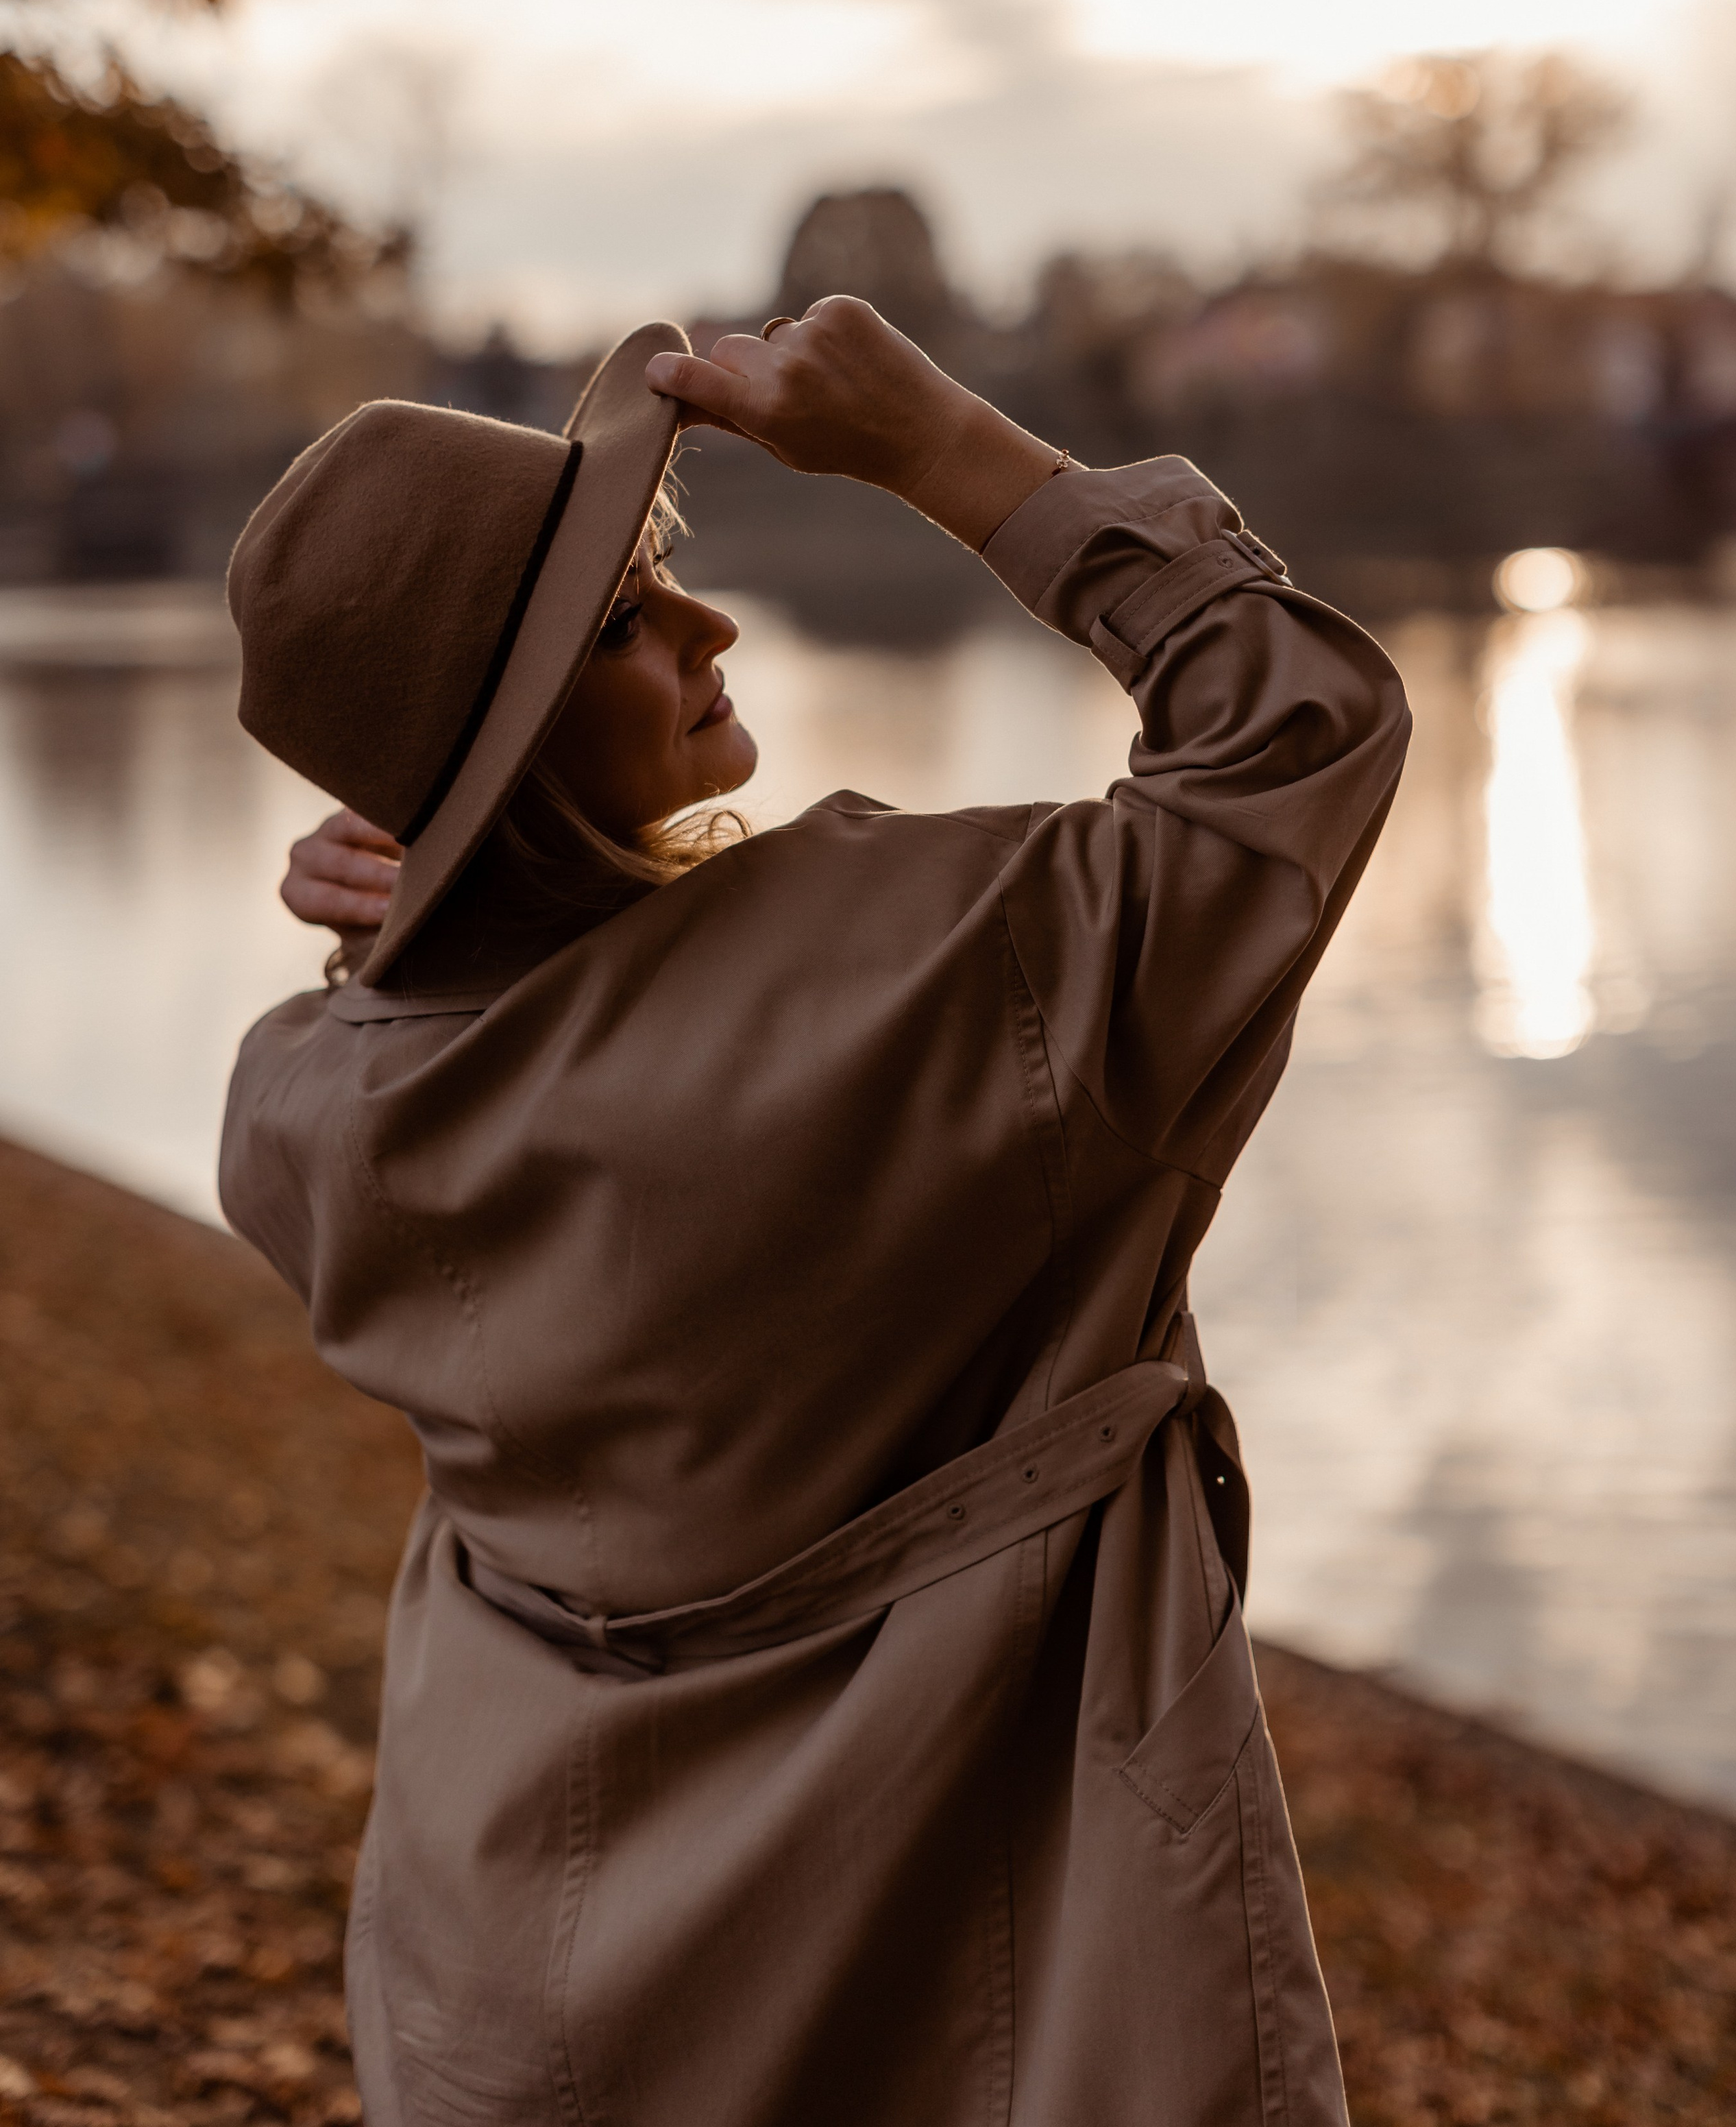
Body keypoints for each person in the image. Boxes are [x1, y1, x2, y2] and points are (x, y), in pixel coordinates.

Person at [222, 297, 1410, 2127]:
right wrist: (957, 455)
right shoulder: (955, 985)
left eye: (665, 571)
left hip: (525, 1963)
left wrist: (413, 920)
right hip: (991, 1967)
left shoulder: (301, 1111)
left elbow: (476, 1044)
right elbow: (1301, 727)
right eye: (622, 622)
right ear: (505, 746)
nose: (709, 625)